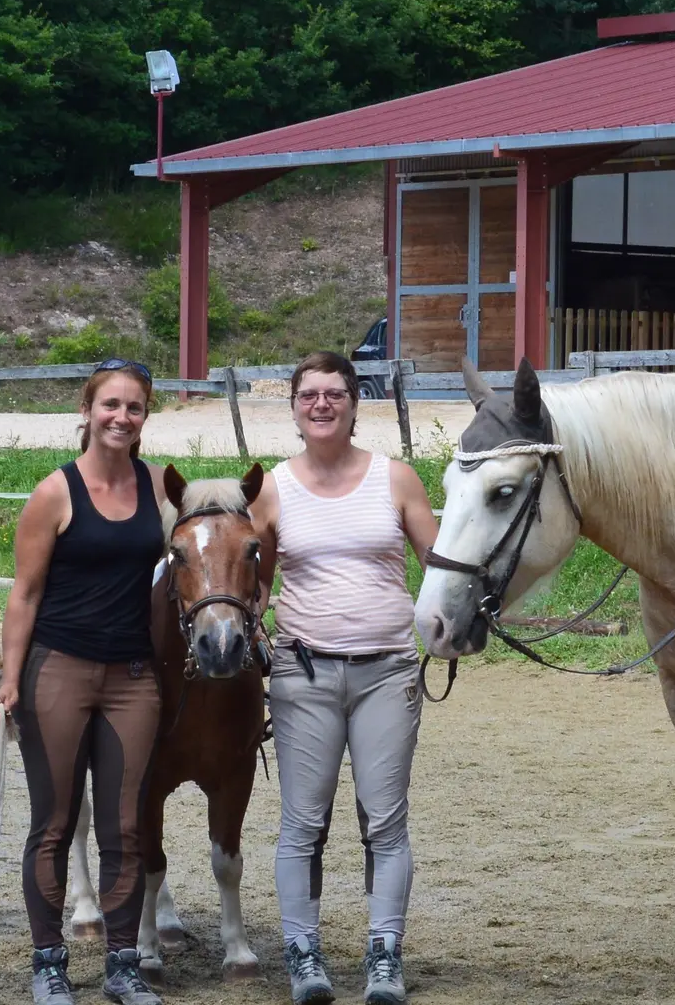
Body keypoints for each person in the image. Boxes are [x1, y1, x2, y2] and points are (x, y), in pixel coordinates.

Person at [253, 350, 440, 1005]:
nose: (323, 404)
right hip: (302, 672)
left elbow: (438, 563)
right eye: (310, 395)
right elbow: (252, 586)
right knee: (303, 823)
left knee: (385, 821)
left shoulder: (397, 480)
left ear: (356, 403)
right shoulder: (273, 489)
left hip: (386, 671)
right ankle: (303, 954)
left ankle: (384, 953)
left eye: (335, 393)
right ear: (296, 407)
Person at [0, 358, 168, 1005]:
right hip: (58, 671)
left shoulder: (157, 487)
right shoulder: (54, 492)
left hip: (133, 679)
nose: (122, 417)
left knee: (126, 827)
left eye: (135, 408)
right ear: (88, 410)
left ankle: (123, 964)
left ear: (147, 417)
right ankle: (49, 962)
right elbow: (24, 594)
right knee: (55, 823)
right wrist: (10, 680)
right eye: (111, 405)